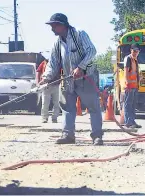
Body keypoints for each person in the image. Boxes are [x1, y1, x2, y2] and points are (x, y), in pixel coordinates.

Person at [40, 13, 103, 145]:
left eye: (54, 25)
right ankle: (68, 135)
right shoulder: (57, 43)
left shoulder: (80, 34)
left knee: (93, 108)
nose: (51, 29)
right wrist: (46, 78)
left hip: (86, 78)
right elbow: (53, 63)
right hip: (68, 80)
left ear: (62, 25)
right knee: (68, 108)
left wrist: (80, 67)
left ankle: (97, 136)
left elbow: (92, 51)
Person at [122, 44, 142, 128]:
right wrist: (128, 82)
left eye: (136, 51)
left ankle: (132, 121)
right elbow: (126, 71)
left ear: (139, 52)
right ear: (131, 50)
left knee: (133, 105)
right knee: (128, 104)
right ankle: (128, 122)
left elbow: (134, 72)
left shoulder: (135, 60)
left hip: (134, 85)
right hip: (129, 86)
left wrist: (139, 79)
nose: (135, 53)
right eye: (134, 51)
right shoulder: (128, 59)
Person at [37, 59, 60, 123]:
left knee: (57, 103)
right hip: (46, 86)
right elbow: (38, 71)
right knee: (45, 103)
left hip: (56, 85)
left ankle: (54, 117)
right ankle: (44, 118)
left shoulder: (58, 63)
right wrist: (38, 82)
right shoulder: (44, 63)